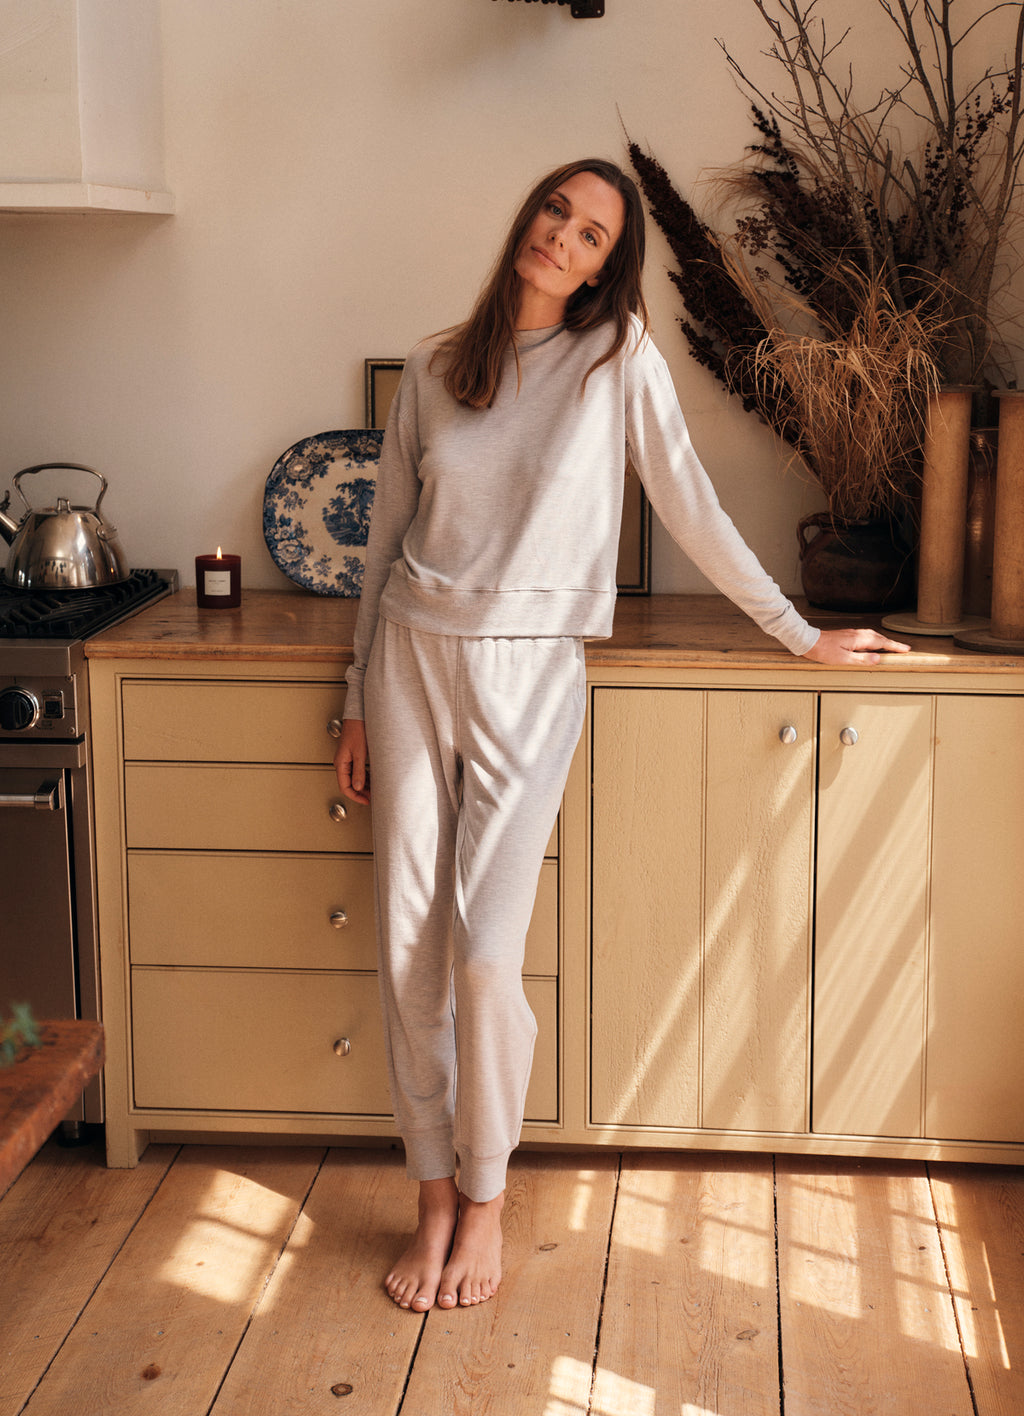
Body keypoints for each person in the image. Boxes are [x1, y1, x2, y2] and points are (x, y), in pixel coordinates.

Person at [334, 158, 908, 1315]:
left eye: (592, 233)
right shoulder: (437, 368)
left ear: (607, 266)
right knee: (407, 950)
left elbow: (689, 502)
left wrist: (799, 635)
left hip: (530, 674)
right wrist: (353, 696)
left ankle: (486, 1198)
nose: (563, 236)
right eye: (556, 210)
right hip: (408, 657)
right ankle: (432, 1194)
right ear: (528, 216)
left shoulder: (614, 359)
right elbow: (386, 537)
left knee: (483, 957)